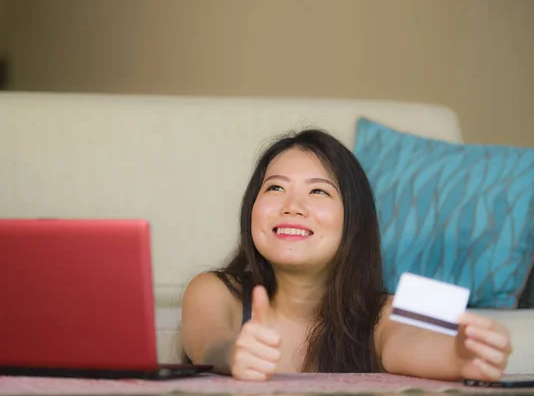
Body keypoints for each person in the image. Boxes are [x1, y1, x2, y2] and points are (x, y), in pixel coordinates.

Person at [180, 128, 512, 382]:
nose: (292, 206)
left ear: (354, 220)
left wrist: (460, 357)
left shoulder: (388, 306)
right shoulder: (213, 288)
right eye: (275, 188)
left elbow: (408, 344)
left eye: (318, 191)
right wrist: (234, 352)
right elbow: (208, 343)